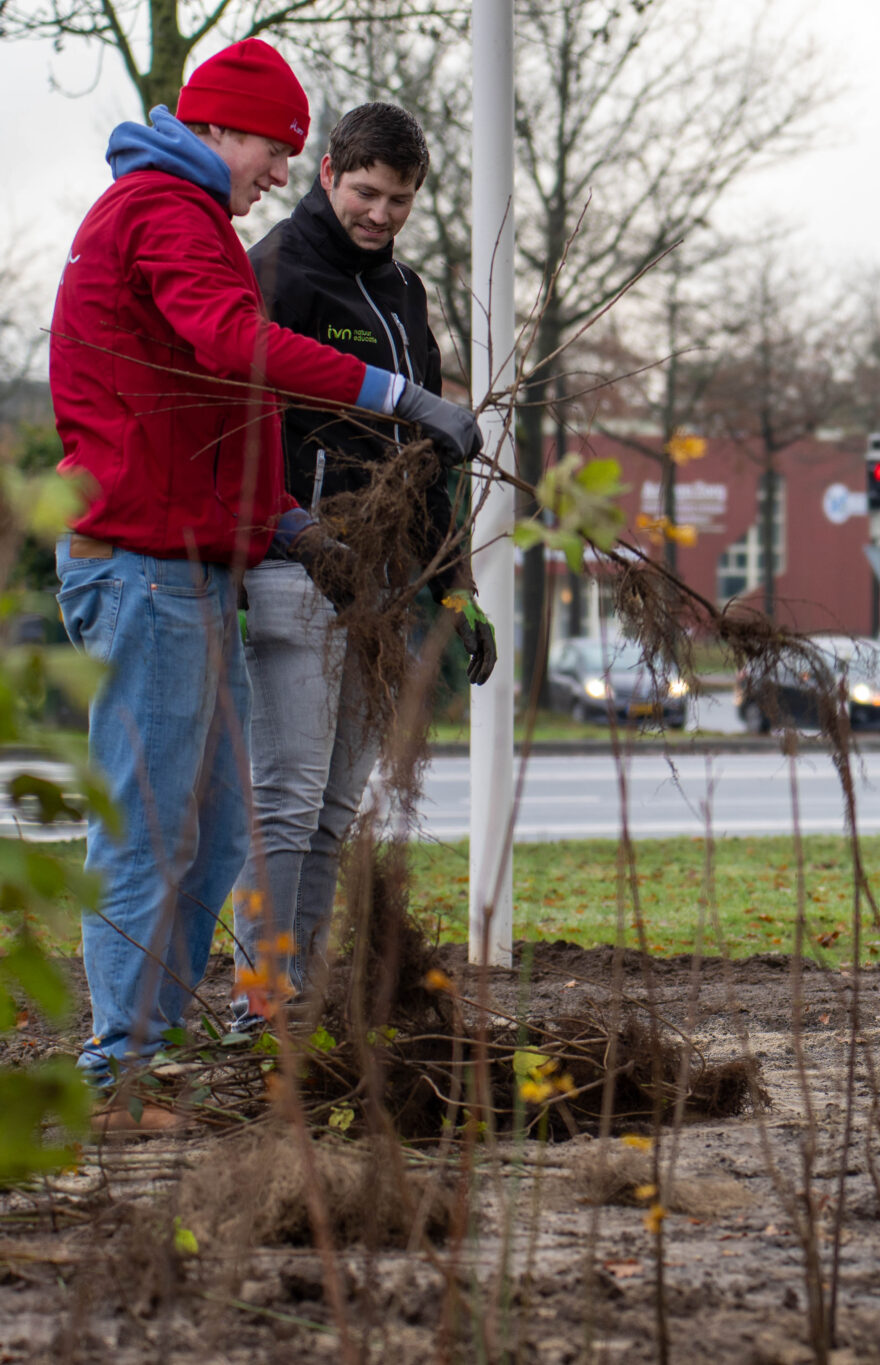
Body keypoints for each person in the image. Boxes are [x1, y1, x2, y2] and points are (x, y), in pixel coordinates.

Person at [49, 39, 481, 1123]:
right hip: (140, 564)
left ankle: (167, 1035)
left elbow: (209, 414)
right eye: (277, 149)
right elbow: (232, 343)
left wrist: (285, 523)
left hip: (190, 556)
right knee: (153, 820)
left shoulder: (191, 219)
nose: (281, 173)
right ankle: (123, 1064)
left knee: (228, 824)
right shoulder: (161, 209)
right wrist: (396, 394)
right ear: (222, 128)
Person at [233, 103, 494, 1029]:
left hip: (382, 582)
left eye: (400, 199)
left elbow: (426, 462)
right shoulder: (275, 273)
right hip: (295, 567)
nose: (380, 213)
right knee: (290, 792)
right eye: (365, 191)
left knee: (338, 802)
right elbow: (245, 428)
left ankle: (290, 1001)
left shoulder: (406, 295)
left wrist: (454, 583)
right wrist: (298, 534)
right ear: (328, 171)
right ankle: (256, 1000)